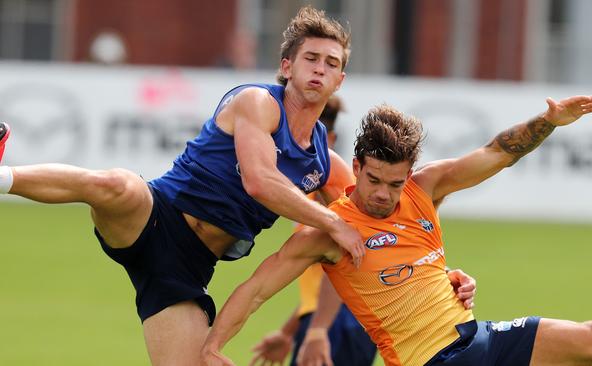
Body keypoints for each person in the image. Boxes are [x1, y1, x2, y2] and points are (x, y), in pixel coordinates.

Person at [0, 6, 367, 366]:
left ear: (340, 80)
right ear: (287, 67)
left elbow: (364, 227)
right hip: (157, 216)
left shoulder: (325, 165)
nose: (320, 68)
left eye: (332, 63)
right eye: (311, 58)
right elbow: (260, 182)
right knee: (117, 185)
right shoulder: (258, 102)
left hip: (186, 270)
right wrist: (333, 222)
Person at [200, 95, 592, 366]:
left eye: (395, 183)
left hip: (481, 338)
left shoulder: (424, 188)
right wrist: (213, 346)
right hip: (431, 361)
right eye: (373, 181)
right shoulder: (326, 233)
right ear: (356, 168)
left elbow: (497, 152)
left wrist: (548, 121)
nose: (382, 195)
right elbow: (256, 289)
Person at [249, 96, 477, 366]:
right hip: (333, 319)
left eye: (302, 140)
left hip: (344, 322)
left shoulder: (337, 195)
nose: (292, 150)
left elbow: (349, 262)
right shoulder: (308, 195)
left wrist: (318, 329)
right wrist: (291, 331)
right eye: (286, 139)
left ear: (329, 142)